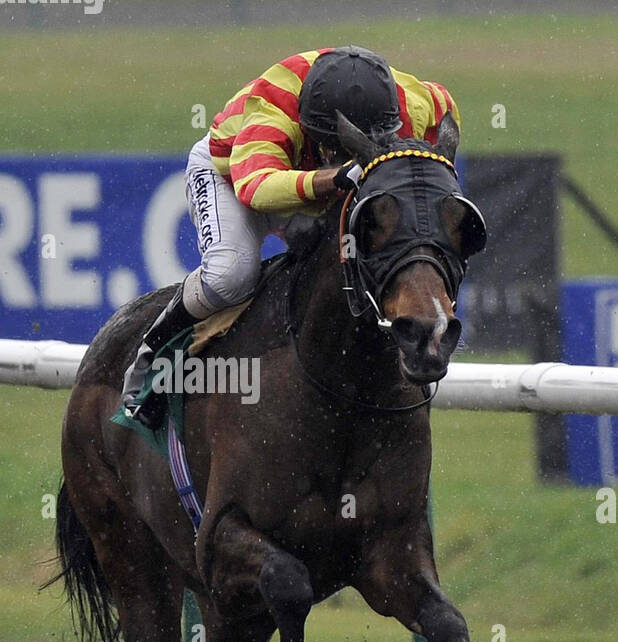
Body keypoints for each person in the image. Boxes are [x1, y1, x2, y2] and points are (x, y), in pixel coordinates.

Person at [122, 45, 460, 428]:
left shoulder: (416, 104)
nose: (337, 156)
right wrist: (333, 176)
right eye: (332, 148)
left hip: (317, 176)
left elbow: (446, 126)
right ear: (308, 128)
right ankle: (150, 362)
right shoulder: (273, 110)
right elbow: (255, 187)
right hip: (237, 173)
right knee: (230, 274)